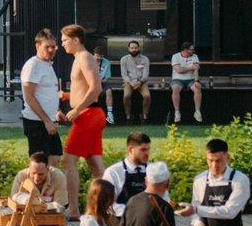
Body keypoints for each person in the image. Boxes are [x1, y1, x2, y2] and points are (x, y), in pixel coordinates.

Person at [58, 26, 106, 212]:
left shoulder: (85, 58)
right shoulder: (79, 59)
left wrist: (77, 109)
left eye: (64, 40)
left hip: (89, 114)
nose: (62, 44)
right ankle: (106, 207)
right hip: (90, 113)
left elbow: (96, 89)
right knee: (95, 164)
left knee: (68, 160)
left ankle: (74, 208)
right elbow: (85, 89)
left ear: (76, 39)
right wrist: (67, 96)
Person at [180, 138, 250, 226]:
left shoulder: (240, 180)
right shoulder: (200, 179)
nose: (214, 165)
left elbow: (230, 212)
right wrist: (198, 223)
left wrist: (196, 210)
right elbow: (196, 207)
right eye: (210, 160)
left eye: (218, 161)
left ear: (228, 158)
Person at [17, 29, 65, 182]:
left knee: (54, 162)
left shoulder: (47, 65)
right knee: (39, 167)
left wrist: (56, 112)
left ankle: (50, 197)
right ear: (37, 46)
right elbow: (29, 97)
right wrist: (46, 120)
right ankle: (37, 200)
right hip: (37, 123)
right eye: (47, 47)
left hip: (49, 120)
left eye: (53, 47)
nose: (51, 50)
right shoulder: (33, 65)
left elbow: (47, 93)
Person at [103, 130, 156, 209]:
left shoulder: (154, 170)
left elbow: (163, 198)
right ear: (130, 149)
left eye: (148, 149)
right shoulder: (113, 172)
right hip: (123, 219)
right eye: (143, 150)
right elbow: (107, 204)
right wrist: (132, 211)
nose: (147, 153)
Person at [169, 39, 203, 124]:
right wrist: (191, 67)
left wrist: (196, 81)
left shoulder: (194, 56)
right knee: (175, 88)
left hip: (191, 79)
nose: (193, 51)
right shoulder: (176, 56)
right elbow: (179, 70)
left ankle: (197, 111)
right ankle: (177, 112)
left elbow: (196, 69)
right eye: (191, 49)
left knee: (197, 88)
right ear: (185, 49)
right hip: (178, 79)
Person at [118, 40, 152, 123]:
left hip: (142, 81)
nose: (134, 50)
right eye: (132, 48)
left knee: (147, 96)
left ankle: (144, 116)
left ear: (139, 48)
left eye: (136, 48)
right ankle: (128, 116)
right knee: (126, 96)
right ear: (129, 49)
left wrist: (140, 82)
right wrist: (131, 83)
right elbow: (124, 74)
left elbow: (146, 74)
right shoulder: (124, 59)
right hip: (129, 82)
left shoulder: (145, 59)